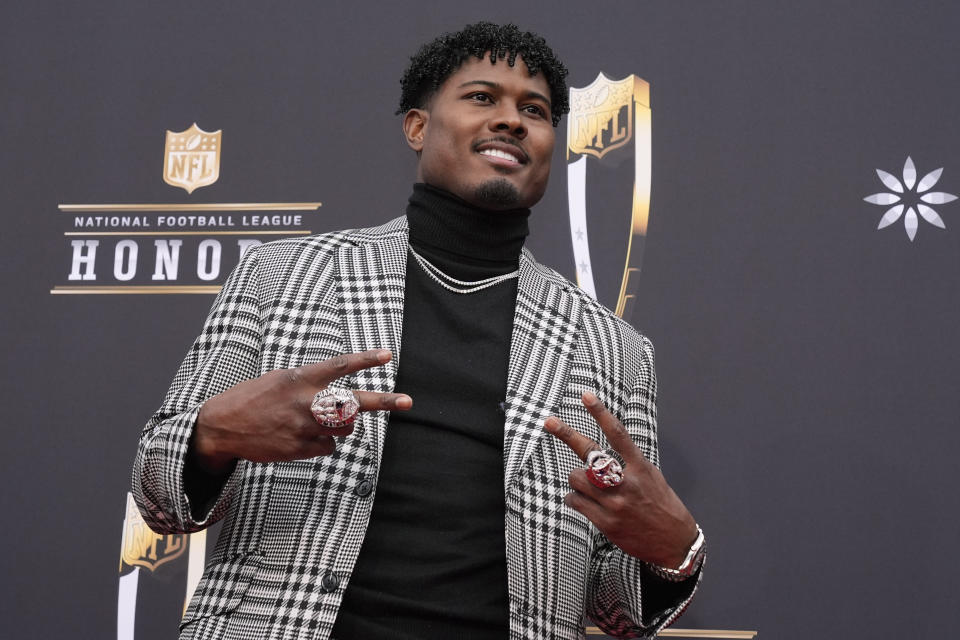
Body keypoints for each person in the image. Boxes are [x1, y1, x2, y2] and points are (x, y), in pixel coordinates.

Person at [133, 21, 704, 640]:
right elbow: (158, 498)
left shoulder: (615, 351)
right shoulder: (282, 274)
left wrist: (674, 553)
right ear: (417, 126)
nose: (512, 120)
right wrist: (212, 436)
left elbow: (613, 611)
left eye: (534, 111)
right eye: (482, 97)